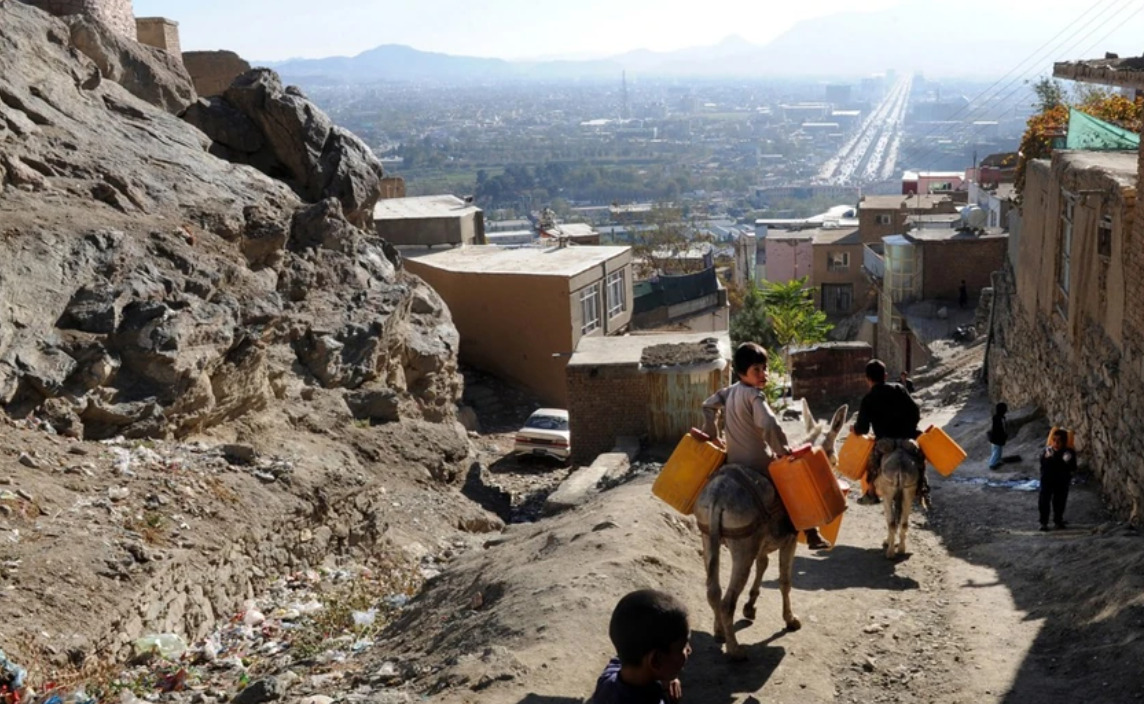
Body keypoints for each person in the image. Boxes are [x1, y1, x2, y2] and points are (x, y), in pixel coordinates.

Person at [701, 342, 832, 550]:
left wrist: (712, 434)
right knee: (796, 484)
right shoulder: (755, 395)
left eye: (765, 368)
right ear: (742, 372)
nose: (764, 374)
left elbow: (708, 405)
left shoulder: (728, 392)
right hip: (759, 465)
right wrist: (782, 450)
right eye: (756, 370)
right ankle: (811, 532)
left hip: (732, 461)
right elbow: (770, 423)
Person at [590, 589, 691, 704]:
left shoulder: (607, 680)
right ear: (656, 660)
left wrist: (666, 672)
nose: (689, 650)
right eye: (683, 647)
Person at [853, 359, 928, 506]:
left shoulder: (868, 399)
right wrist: (909, 428)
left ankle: (871, 493)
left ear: (867, 379)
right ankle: (923, 488)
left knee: (872, 463)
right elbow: (915, 412)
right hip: (907, 439)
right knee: (920, 457)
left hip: (884, 443)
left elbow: (862, 429)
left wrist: (854, 429)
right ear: (885, 376)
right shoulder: (899, 388)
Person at [1039, 428, 1076, 531]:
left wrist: (1067, 461)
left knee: (1059, 501)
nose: (1056, 443)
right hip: (1047, 480)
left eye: (1059, 441)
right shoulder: (1048, 451)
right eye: (1054, 440)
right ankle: (1043, 523)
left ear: (1064, 442)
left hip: (1061, 481)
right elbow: (1043, 465)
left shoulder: (1068, 453)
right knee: (1044, 501)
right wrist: (1047, 458)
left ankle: (1058, 521)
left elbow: (1073, 467)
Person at [988, 402, 1008, 470]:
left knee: (997, 451)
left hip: (995, 438)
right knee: (996, 452)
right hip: (997, 438)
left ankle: (997, 462)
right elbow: (1001, 429)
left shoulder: (996, 417)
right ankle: (992, 464)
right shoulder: (999, 419)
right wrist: (1004, 435)